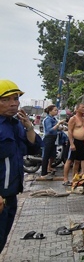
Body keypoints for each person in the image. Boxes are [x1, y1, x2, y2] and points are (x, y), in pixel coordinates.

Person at [0, 80, 42, 252]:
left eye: (16, 98)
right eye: (6, 99)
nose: (13, 103)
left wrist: (29, 127)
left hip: (10, 195)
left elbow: (32, 147)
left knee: (1, 241)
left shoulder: (16, 123)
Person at [62, 103, 84, 186]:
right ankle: (65, 179)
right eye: (82, 107)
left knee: (78, 161)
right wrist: (71, 144)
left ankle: (74, 178)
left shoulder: (83, 119)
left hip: (81, 142)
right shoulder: (73, 118)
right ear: (77, 109)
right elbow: (69, 131)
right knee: (69, 160)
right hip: (74, 141)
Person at [40, 104, 65, 178]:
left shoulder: (53, 119)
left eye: (57, 110)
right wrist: (58, 124)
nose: (56, 112)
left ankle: (48, 168)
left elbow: (55, 129)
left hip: (54, 138)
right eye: (55, 110)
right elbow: (49, 130)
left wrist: (60, 127)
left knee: (52, 155)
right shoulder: (48, 119)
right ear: (50, 111)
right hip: (48, 138)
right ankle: (43, 173)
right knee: (46, 156)